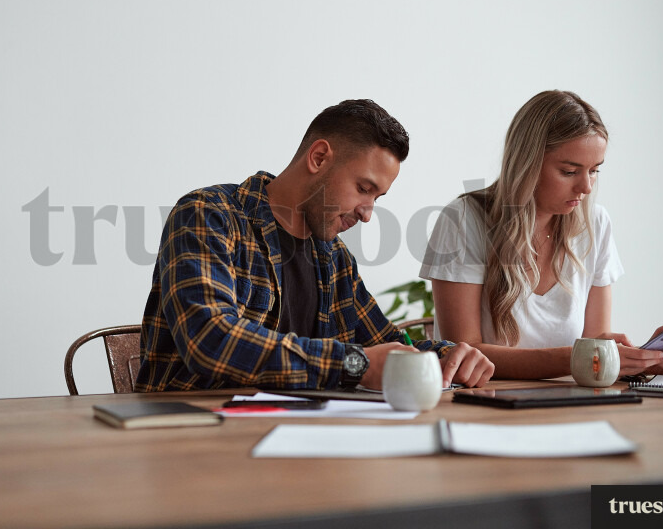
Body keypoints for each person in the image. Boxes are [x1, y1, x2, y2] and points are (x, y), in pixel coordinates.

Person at [136, 99, 494, 392]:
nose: (367, 214)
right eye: (364, 188)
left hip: (299, 444)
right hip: (194, 442)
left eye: (377, 197)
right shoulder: (208, 215)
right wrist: (353, 364)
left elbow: (385, 342)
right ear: (319, 157)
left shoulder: (336, 260)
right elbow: (210, 339)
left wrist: (448, 356)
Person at [420, 90, 663, 379]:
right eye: (569, 171)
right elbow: (464, 354)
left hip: (571, 403)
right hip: (487, 404)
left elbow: (595, 343)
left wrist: (642, 359)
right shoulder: (463, 220)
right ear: (526, 164)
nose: (586, 187)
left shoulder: (596, 223)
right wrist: (580, 358)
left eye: (594, 171)